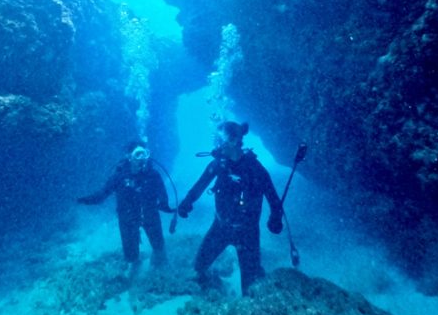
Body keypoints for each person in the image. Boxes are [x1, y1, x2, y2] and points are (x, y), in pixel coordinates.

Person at [177, 121, 283, 294]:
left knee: (250, 287)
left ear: (234, 141)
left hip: (247, 233)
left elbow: (273, 197)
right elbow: (200, 185)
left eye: (219, 141)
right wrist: (187, 202)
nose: (216, 146)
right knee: (198, 267)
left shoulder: (255, 169)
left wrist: (275, 218)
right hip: (220, 227)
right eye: (216, 142)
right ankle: (210, 291)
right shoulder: (218, 165)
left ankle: (257, 281)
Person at [77, 140, 173, 272]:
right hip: (127, 218)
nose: (142, 159)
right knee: (131, 256)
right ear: (129, 156)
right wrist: (84, 200)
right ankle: (135, 267)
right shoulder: (119, 177)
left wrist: (164, 204)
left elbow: (162, 192)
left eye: (144, 154)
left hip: (150, 215)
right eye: (138, 154)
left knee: (159, 249)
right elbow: (101, 195)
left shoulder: (153, 175)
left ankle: (158, 266)